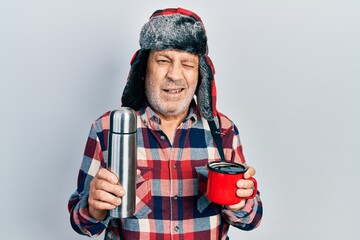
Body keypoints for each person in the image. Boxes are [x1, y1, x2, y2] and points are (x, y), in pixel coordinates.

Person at [68, 7, 262, 240]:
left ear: (200, 74)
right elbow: (82, 224)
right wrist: (93, 208)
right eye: (163, 60)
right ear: (143, 68)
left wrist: (242, 203)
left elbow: (252, 219)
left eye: (187, 64)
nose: (175, 75)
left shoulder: (223, 131)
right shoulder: (107, 130)